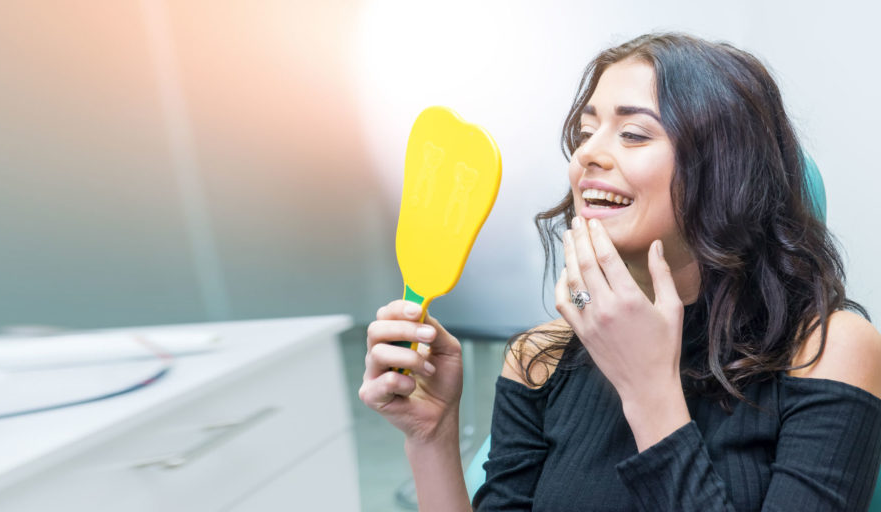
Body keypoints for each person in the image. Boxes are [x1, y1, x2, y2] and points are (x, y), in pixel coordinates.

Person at [359, 32, 881, 511]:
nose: (588, 153)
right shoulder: (537, 358)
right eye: (585, 132)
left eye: (632, 134)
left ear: (727, 169)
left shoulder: (825, 350)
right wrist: (431, 438)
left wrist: (648, 390)